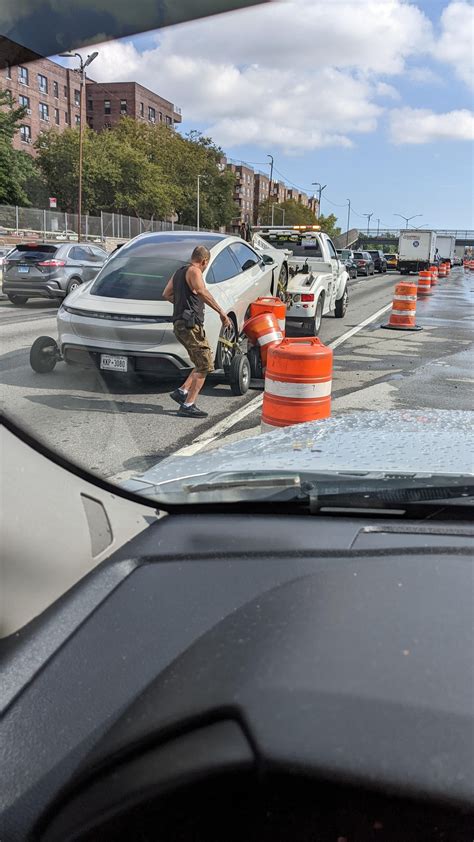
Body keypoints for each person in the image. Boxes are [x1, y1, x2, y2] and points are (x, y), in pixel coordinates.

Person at [163, 245, 232, 418]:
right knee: (205, 363)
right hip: (189, 325)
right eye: (206, 264)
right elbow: (202, 292)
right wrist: (221, 313)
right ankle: (188, 404)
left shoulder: (179, 271)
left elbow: (166, 294)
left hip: (180, 324)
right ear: (204, 261)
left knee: (200, 359)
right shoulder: (195, 271)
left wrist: (183, 306)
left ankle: (182, 391)